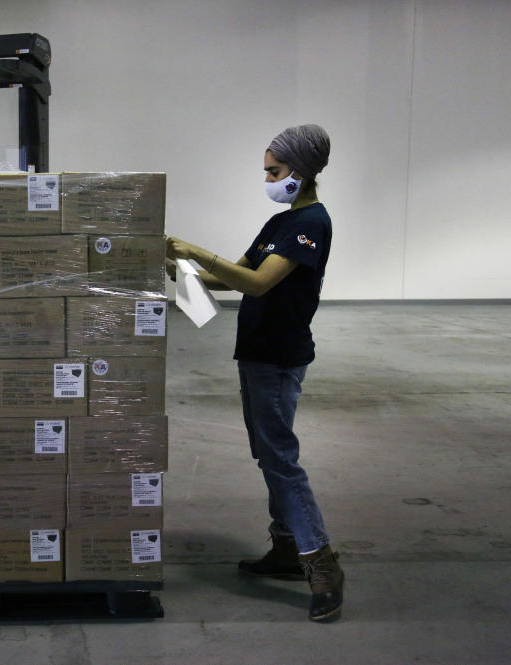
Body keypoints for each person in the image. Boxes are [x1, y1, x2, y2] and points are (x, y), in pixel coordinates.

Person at [166, 124, 344, 622]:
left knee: (281, 458)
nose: (268, 179)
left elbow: (260, 283)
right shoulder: (276, 223)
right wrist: (179, 266)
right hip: (256, 353)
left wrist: (197, 251)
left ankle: (321, 561)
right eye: (267, 171)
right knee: (268, 454)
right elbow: (232, 277)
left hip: (279, 357)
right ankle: (287, 548)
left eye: (275, 171)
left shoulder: (311, 223)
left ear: (301, 171)